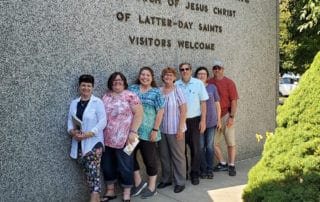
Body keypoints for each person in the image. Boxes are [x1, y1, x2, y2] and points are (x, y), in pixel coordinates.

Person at [100, 72, 143, 202]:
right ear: (110, 83)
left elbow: (139, 114)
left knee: (126, 165)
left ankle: (126, 192)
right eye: (114, 80)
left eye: (120, 80)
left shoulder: (131, 95)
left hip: (128, 138)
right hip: (106, 139)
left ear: (124, 82)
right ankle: (110, 191)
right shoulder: (105, 97)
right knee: (107, 165)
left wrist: (133, 132)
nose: (117, 82)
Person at [67, 74, 107, 202]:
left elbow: (103, 121)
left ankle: (94, 197)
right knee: (89, 173)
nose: (86, 88)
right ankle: (97, 198)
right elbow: (70, 121)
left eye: (89, 86)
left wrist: (88, 134)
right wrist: (73, 132)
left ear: (92, 87)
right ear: (79, 87)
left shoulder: (97, 102)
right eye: (83, 85)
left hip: (93, 143)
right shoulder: (74, 103)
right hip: (79, 143)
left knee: (93, 172)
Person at [128, 67, 165, 199]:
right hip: (133, 132)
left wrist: (155, 130)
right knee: (128, 155)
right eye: (142, 74)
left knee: (149, 160)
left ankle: (151, 186)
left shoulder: (156, 92)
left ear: (152, 77)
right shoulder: (132, 89)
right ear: (139, 76)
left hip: (149, 133)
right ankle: (138, 183)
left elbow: (160, 112)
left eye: (148, 75)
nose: (145, 77)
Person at [175, 63, 209, 185]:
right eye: (182, 69)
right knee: (181, 150)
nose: (184, 71)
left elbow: (203, 103)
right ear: (180, 71)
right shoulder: (176, 85)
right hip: (180, 122)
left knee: (196, 149)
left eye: (187, 69)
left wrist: (203, 120)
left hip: (195, 121)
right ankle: (183, 173)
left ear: (190, 70)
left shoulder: (198, 83)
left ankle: (195, 174)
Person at [158, 67, 187, 193]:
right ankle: (166, 179)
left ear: (175, 78)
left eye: (170, 75)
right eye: (166, 75)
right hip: (162, 130)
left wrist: (180, 129)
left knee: (178, 156)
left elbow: (184, 110)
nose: (168, 77)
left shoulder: (178, 90)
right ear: (163, 77)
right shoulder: (158, 91)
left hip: (176, 129)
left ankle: (180, 182)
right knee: (164, 156)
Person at [208, 60, 239, 176]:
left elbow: (234, 101)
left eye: (219, 68)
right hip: (213, 118)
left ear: (223, 69)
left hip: (226, 115)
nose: (217, 70)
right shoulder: (209, 82)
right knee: (211, 143)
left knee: (230, 142)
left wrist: (231, 117)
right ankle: (222, 162)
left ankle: (231, 165)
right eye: (215, 68)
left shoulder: (229, 82)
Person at [195, 67, 221, 179]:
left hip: (211, 120)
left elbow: (217, 104)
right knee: (200, 147)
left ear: (207, 76)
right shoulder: (194, 87)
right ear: (196, 76)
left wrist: (219, 119)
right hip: (198, 121)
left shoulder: (212, 87)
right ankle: (203, 169)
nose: (201, 75)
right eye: (199, 74)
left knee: (209, 146)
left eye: (204, 74)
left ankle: (210, 169)